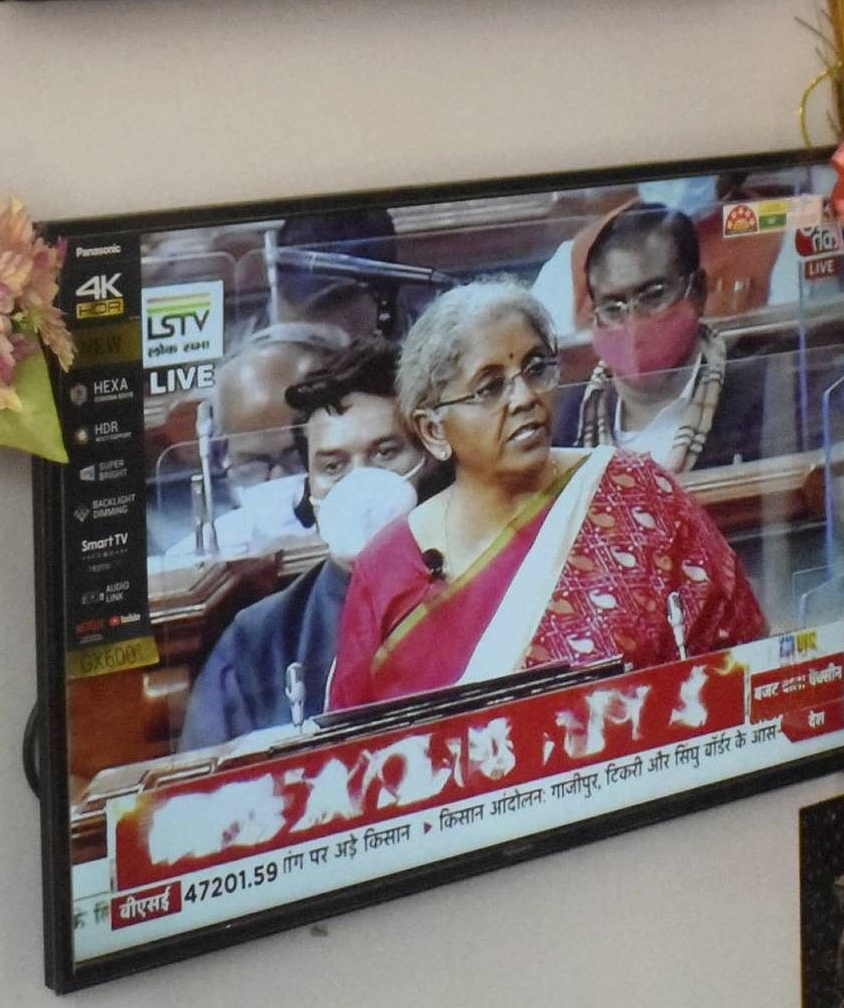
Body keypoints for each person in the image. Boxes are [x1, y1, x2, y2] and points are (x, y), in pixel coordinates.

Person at [327, 284, 765, 707]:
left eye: (536, 368)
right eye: (490, 386)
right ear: (432, 430)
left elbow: (739, 661)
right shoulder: (387, 568)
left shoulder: (632, 492)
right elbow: (356, 753)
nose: (524, 397)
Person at [179, 341, 422, 749]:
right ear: (309, 486)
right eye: (333, 465)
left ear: (429, 456)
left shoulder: (484, 580)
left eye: (385, 453)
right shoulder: (257, 641)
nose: (359, 483)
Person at [563, 200, 769, 469]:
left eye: (653, 295)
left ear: (697, 291)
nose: (633, 321)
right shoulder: (572, 418)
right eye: (613, 306)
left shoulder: (760, 397)